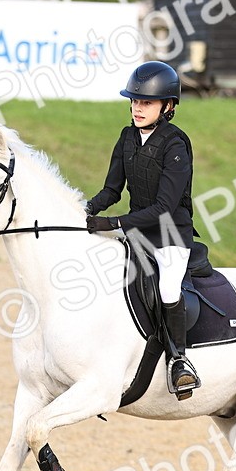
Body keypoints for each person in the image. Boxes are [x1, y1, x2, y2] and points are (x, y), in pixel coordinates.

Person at [85, 61, 201, 399]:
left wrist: (114, 223)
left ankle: (179, 361)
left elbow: (164, 207)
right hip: (138, 233)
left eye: (146, 103)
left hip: (170, 236)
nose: (137, 108)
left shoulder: (176, 145)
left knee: (167, 289)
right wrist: (84, 210)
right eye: (134, 101)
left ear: (167, 106)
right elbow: (112, 191)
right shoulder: (126, 137)